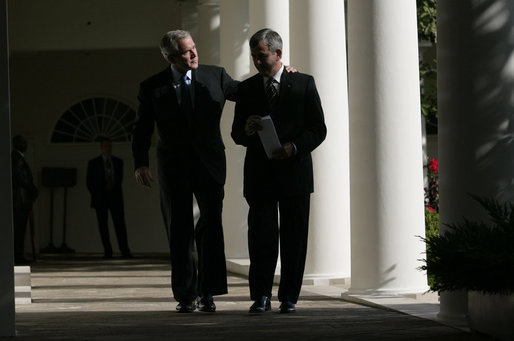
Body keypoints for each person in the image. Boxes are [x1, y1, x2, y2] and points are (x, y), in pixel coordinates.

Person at [132, 30, 238, 313]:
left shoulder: (216, 76)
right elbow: (141, 128)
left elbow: (246, 92)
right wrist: (139, 163)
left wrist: (281, 74)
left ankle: (209, 293)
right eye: (186, 52)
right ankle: (185, 296)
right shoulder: (152, 86)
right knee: (179, 230)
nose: (193, 54)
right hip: (173, 167)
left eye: (194, 48)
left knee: (211, 225)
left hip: (210, 164)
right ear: (170, 57)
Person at [231, 28, 327, 314]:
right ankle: (260, 296)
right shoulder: (247, 89)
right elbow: (236, 134)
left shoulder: (303, 83)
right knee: (261, 238)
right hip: (260, 175)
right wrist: (246, 130)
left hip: (295, 173)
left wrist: (294, 147)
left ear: (278, 54)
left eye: (261, 56)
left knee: (294, 238)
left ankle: (289, 298)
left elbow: (319, 129)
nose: (257, 62)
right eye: (254, 57)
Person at [87, 137, 132, 259]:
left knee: (120, 225)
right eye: (106, 146)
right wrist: (97, 194)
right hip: (100, 199)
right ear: (101, 147)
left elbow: (119, 180)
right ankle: (108, 251)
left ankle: (125, 251)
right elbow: (89, 183)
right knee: (103, 226)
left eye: (110, 145)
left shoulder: (118, 162)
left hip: (116, 198)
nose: (108, 148)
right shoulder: (93, 163)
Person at [11, 135, 38, 265]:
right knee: (19, 229)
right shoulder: (17, 159)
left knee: (21, 228)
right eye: (23, 142)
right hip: (20, 200)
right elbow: (22, 178)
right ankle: (17, 256)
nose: (26, 145)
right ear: (18, 144)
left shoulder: (18, 158)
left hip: (21, 199)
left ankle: (18, 254)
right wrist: (33, 190)